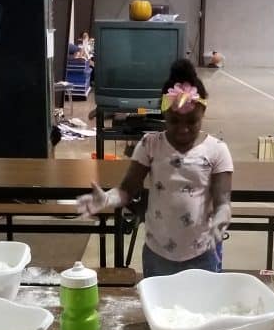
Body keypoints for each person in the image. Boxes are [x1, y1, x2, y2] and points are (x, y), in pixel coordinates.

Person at [77, 59, 233, 278]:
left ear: (202, 115)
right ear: (164, 114)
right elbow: (126, 191)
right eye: (174, 121)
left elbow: (223, 202)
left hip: (201, 253)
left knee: (200, 310)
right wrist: (107, 199)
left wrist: (220, 219)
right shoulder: (151, 145)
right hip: (157, 254)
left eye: (192, 121)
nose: (183, 129)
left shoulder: (217, 151)